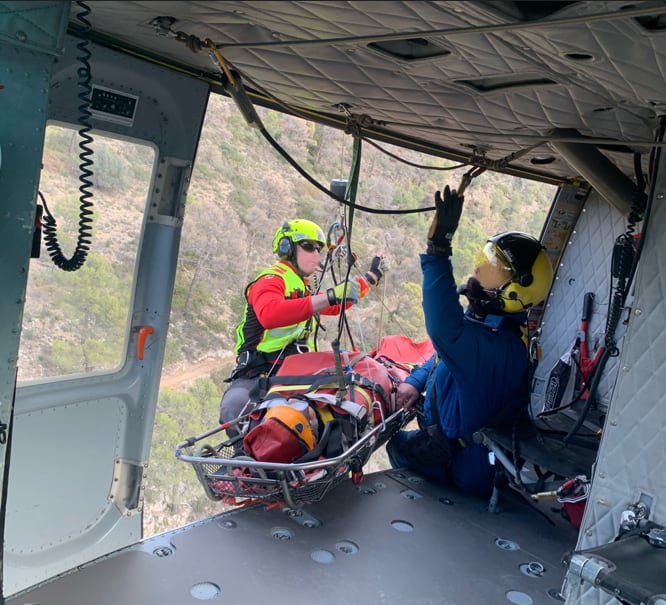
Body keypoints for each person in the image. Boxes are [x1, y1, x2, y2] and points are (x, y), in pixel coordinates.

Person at [386, 186, 553, 497]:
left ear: (515, 291)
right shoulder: (490, 326)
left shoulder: (497, 348)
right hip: (445, 449)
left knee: (395, 449)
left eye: (493, 270)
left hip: (460, 475)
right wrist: (417, 380)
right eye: (484, 259)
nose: (478, 270)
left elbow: (446, 333)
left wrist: (438, 251)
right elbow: (447, 357)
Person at [219, 218, 385, 438]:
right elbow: (270, 314)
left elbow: (334, 305)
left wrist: (371, 277)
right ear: (287, 248)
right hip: (258, 372)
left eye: (319, 249)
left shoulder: (300, 285)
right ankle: (249, 457)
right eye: (309, 247)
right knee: (234, 409)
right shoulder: (272, 279)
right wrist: (330, 296)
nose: (317, 255)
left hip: (293, 370)